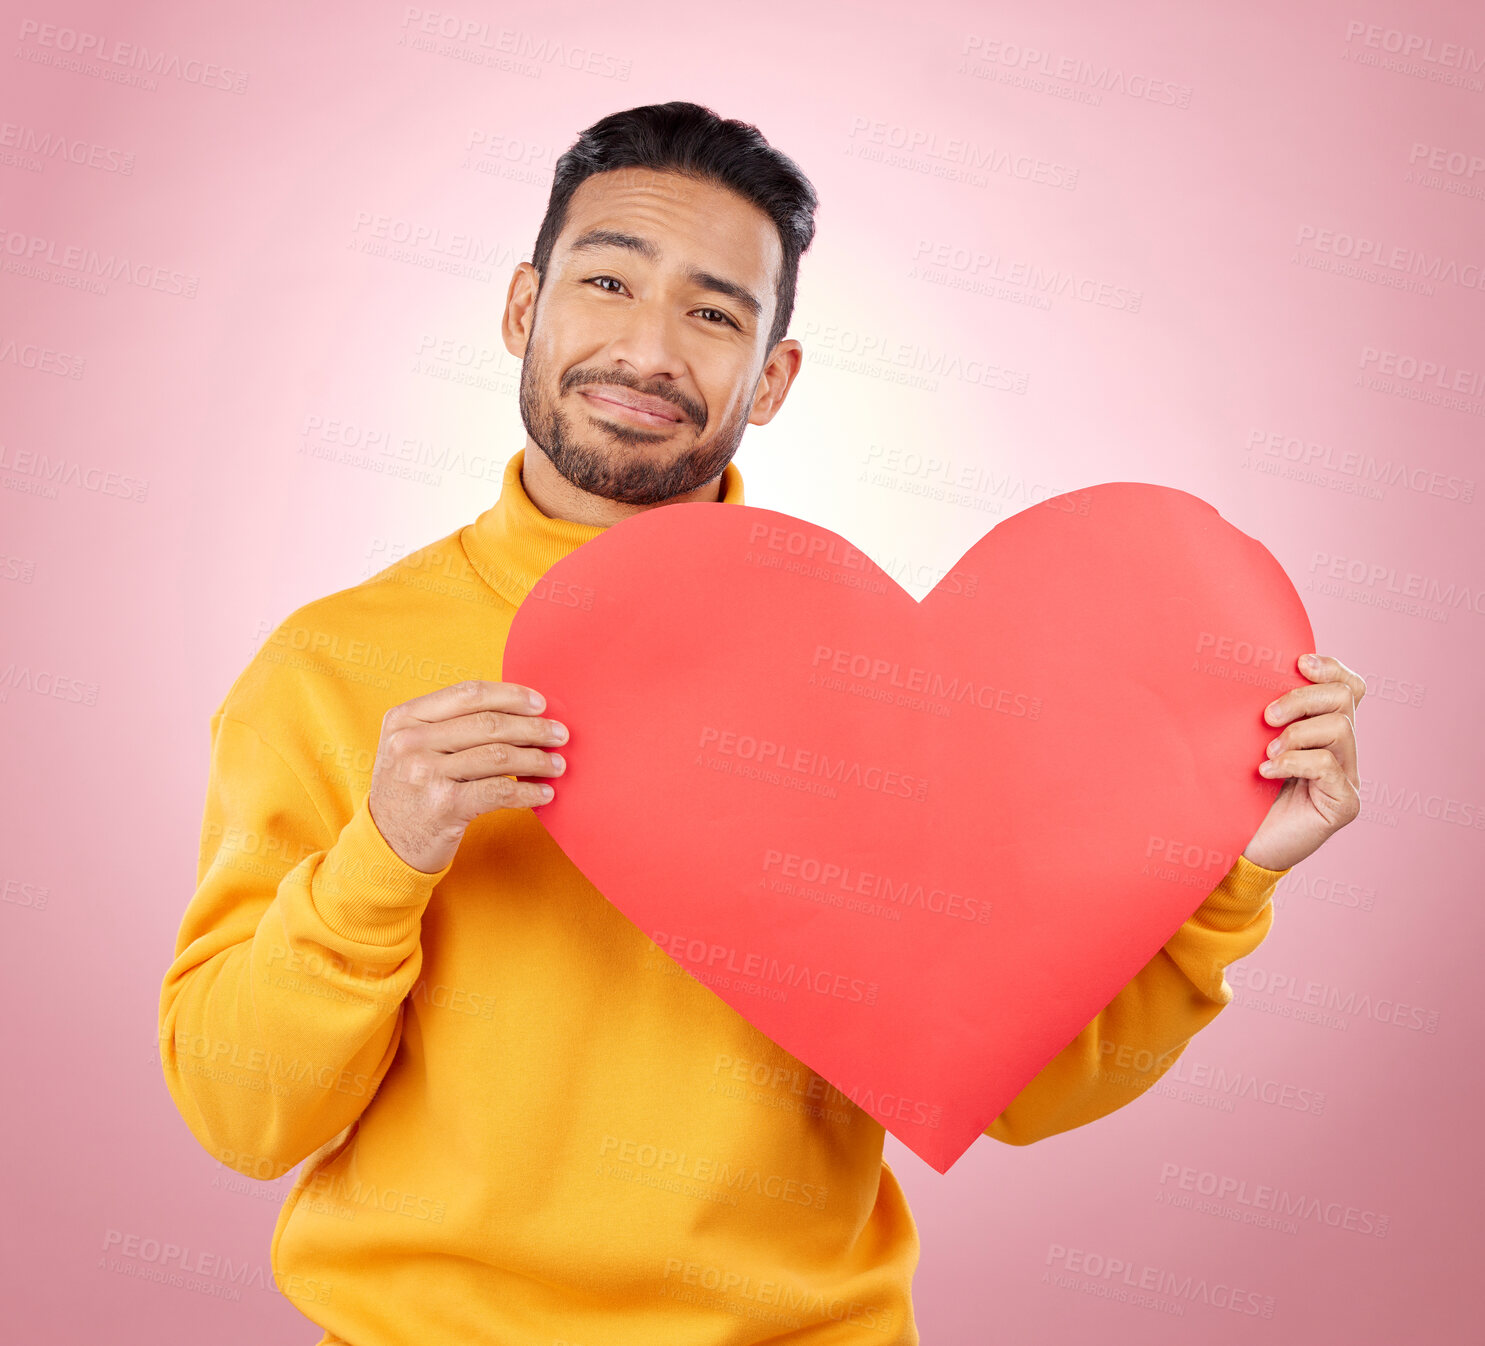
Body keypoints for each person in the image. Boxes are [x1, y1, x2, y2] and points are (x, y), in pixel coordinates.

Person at [157, 101, 1365, 1345]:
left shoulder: (873, 684)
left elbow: (1013, 1083)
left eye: (715, 311)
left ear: (772, 377)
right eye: (608, 280)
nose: (647, 347)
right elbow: (245, 1114)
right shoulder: (329, 666)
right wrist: (385, 851)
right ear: (524, 309)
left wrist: (1230, 879)